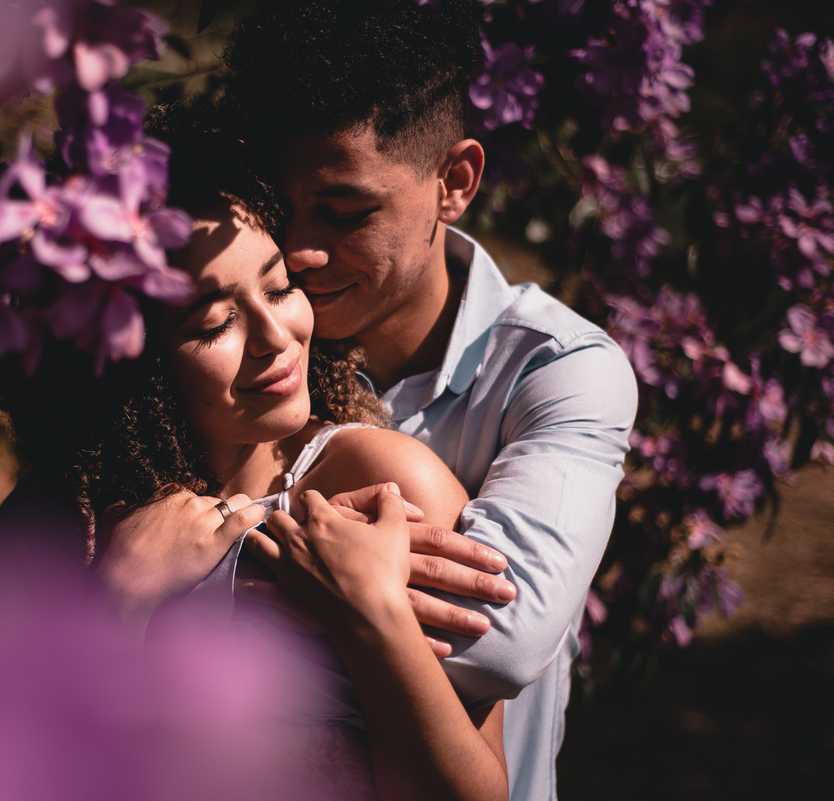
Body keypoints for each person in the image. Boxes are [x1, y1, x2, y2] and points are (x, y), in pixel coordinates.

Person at [105, 1, 639, 799]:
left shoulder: (558, 371)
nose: (302, 252)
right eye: (283, 212)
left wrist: (176, 578)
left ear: (454, 182)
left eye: (348, 212)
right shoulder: (231, 383)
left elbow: (499, 640)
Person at [0, 100, 509, 800]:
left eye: (280, 285)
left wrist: (373, 614)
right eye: (214, 322)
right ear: (127, 366)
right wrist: (120, 599)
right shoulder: (45, 535)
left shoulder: (385, 487)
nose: (275, 335)